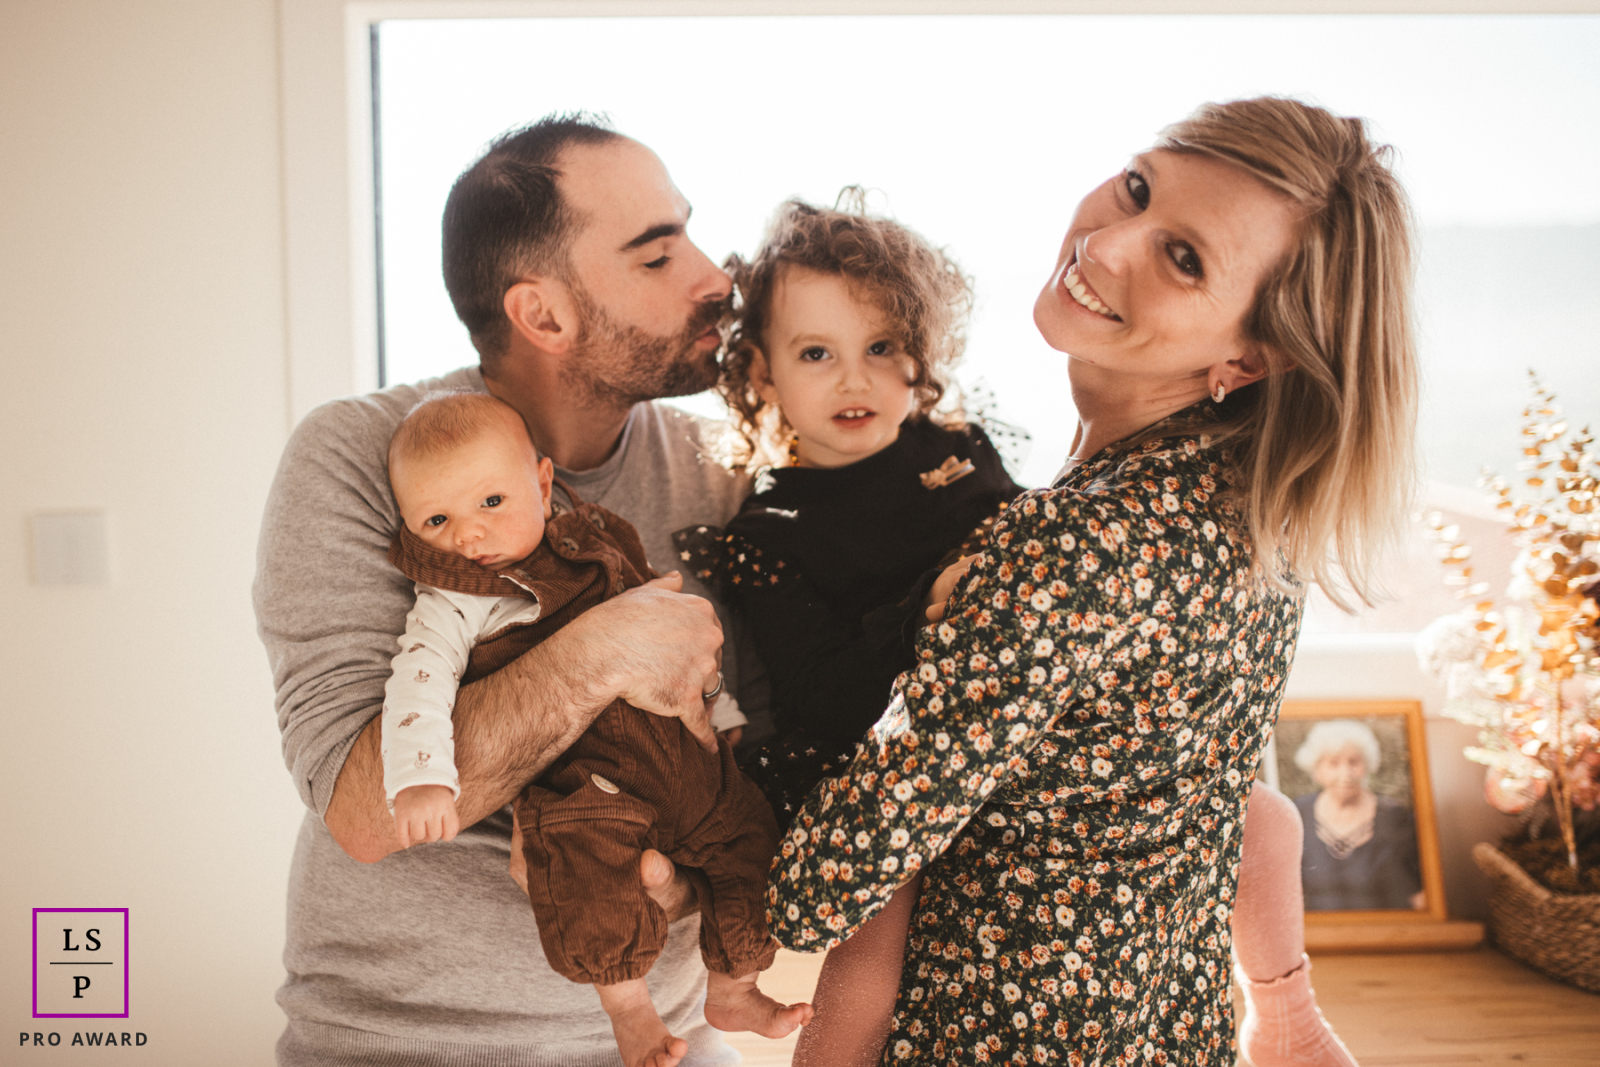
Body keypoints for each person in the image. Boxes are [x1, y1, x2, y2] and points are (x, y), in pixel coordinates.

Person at [766, 96, 1417, 1067]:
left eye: (1183, 257)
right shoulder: (1256, 518)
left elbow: (830, 877)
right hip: (1166, 1031)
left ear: (1249, 354)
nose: (1109, 245)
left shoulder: (1074, 542)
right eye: (1137, 187)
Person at [254, 114, 764, 1066]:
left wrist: (681, 875)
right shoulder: (360, 456)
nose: (715, 276)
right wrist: (599, 653)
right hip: (408, 1042)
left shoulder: (715, 469)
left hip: (679, 1041)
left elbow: (756, 752)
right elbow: (366, 810)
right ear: (543, 315)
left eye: (689, 232)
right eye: (658, 256)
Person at [378, 391, 808, 1067]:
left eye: (491, 502)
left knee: (749, 835)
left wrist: (721, 714)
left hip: (687, 763)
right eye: (437, 518)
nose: (469, 535)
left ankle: (735, 985)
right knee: (586, 875)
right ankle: (630, 1010)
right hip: (587, 785)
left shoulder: (597, 544)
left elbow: (675, 638)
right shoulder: (456, 601)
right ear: (408, 524)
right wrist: (421, 777)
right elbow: (418, 684)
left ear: (543, 484)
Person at [676, 194, 1024, 828]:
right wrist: (925, 609)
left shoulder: (961, 449)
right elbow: (824, 702)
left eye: (881, 347)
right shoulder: (767, 535)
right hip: (892, 778)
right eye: (816, 353)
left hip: (1025, 720)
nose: (854, 380)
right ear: (762, 372)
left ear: (919, 350)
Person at [1292, 720, 1424, 912]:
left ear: (1367, 765)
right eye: (1333, 763)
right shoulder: (1298, 814)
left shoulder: (1395, 817)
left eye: (1354, 762)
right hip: (1317, 938)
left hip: (1387, 935)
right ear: (1316, 770)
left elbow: (1419, 893)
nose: (1346, 773)